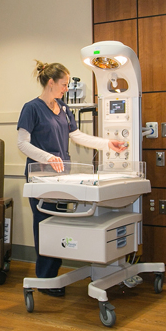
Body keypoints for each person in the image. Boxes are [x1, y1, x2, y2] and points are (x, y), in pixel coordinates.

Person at [16, 60, 128, 296]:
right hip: (41, 179)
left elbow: (77, 136)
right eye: (64, 84)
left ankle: (53, 277)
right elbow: (22, 143)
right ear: (51, 83)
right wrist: (47, 157)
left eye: (67, 85)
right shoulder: (32, 108)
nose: (66, 88)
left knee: (59, 225)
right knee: (44, 225)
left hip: (62, 178)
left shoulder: (63, 108)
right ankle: (45, 279)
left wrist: (108, 144)